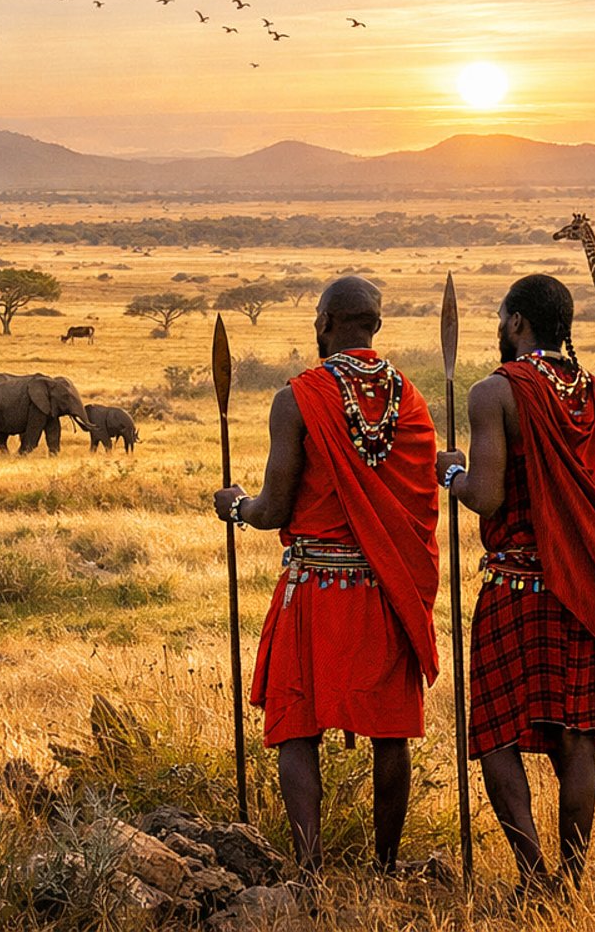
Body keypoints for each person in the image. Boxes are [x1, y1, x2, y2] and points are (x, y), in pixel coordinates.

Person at [213, 276, 440, 871]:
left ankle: (310, 873)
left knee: (297, 728)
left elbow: (273, 509)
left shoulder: (297, 398)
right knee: (390, 732)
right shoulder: (412, 400)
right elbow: (419, 507)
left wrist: (235, 506)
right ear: (376, 325)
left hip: (315, 588)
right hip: (386, 590)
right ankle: (385, 867)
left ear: (324, 323)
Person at [436, 274, 595, 896]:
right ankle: (569, 884)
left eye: (503, 318)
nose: (501, 327)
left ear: (518, 322)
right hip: (591, 594)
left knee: (497, 734)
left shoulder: (495, 391)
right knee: (576, 741)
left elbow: (487, 496)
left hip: (517, 592)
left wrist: (453, 474)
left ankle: (532, 878)